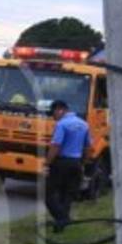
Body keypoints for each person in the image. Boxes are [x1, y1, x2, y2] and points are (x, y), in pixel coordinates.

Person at [44, 99, 94, 233]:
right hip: (76, 163)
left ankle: (62, 218)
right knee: (66, 194)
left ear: (60, 110)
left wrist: (47, 162)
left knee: (47, 194)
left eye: (53, 113)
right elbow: (88, 147)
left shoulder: (61, 124)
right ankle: (60, 228)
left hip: (61, 163)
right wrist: (83, 163)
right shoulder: (84, 124)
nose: (53, 117)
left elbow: (56, 145)